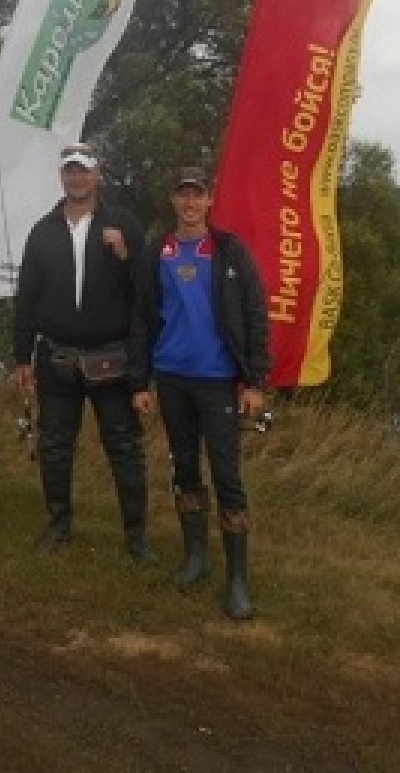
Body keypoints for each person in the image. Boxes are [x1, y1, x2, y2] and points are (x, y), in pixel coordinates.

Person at [130, 166, 270, 619]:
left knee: (227, 476)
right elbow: (142, 319)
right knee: (185, 469)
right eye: (182, 194)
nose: (190, 203)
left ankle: (237, 581)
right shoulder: (157, 251)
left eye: (198, 195)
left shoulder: (229, 250)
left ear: (210, 201)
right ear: (173, 201)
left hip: (218, 380)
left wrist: (255, 381)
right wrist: (139, 382)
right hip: (172, 377)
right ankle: (195, 559)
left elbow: (255, 314)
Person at [13, 142, 152, 560]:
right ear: (62, 177)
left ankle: (136, 536)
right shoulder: (42, 231)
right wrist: (21, 356)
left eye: (84, 170)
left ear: (97, 174)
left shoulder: (124, 225)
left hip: (112, 356)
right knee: (54, 446)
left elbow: (146, 294)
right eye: (70, 171)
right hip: (56, 357)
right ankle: (58, 525)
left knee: (124, 447)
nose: (77, 178)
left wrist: (127, 256)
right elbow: (27, 297)